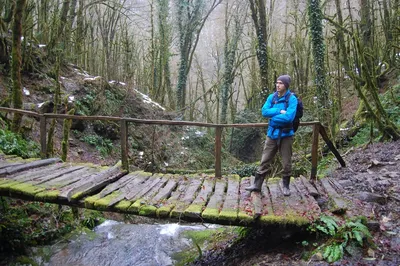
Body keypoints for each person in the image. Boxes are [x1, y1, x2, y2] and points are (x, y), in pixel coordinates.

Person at [245, 74, 298, 196]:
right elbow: (264, 111)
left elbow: (289, 118)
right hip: (271, 134)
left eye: (280, 83)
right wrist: (279, 111)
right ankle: (257, 185)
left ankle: (286, 186)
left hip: (286, 135)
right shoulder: (272, 97)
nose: (277, 85)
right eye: (277, 83)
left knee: (286, 162)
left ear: (286, 85)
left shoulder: (292, 99)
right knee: (265, 160)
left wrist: (273, 119)